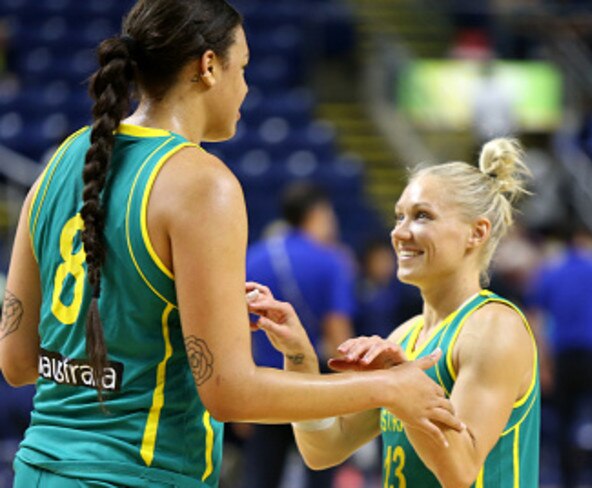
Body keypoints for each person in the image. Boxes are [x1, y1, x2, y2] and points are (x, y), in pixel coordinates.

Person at [0, 1, 463, 486]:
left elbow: (16, 361)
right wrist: (385, 387)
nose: (245, 86)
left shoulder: (61, 162)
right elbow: (229, 393)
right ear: (208, 67)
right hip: (134, 475)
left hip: (37, 469)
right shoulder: (201, 182)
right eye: (242, 68)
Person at [247, 137, 541, 487]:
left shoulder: (493, 327)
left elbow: (461, 472)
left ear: (476, 233)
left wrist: (403, 389)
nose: (399, 233)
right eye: (399, 216)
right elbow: (323, 449)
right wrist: (299, 357)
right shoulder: (406, 336)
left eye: (421, 216)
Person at [242, 181, 356, 488]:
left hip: (263, 383)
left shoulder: (254, 256)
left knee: (260, 476)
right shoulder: (331, 261)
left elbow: (239, 328)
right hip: (312, 383)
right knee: (319, 470)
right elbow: (338, 339)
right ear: (317, 213)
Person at [528, 225, 592, 488]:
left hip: (563, 355)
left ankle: (568, 478)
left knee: (563, 420)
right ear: (587, 240)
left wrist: (544, 360)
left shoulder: (550, 272)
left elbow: (534, 316)